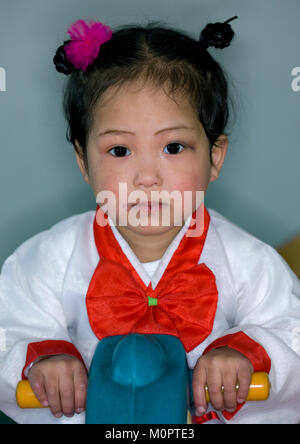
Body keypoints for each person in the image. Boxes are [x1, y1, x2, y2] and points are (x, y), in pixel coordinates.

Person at [0, 16, 299, 425]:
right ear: (83, 161)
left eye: (173, 147)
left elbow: (290, 331)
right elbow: (9, 328)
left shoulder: (250, 261)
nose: (147, 177)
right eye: (120, 151)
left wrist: (244, 352)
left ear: (214, 156)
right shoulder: (46, 261)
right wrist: (44, 357)